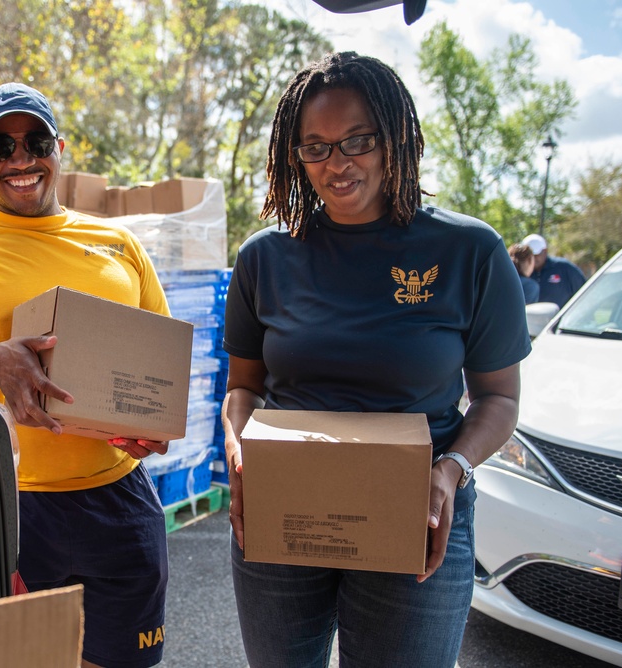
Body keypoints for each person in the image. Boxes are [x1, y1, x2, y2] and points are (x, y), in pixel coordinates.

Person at [220, 52, 532, 667]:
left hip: (415, 508)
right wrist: (237, 448)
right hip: (286, 504)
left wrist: (451, 472)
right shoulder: (265, 257)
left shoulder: (469, 250)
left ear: (396, 139)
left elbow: (500, 399)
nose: (336, 164)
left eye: (356, 140)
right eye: (315, 147)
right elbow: (244, 388)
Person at [0, 83, 169, 668]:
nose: (20, 160)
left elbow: (160, 365)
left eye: (35, 142)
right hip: (8, 507)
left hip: (119, 499)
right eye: (0, 147)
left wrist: (154, 427)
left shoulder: (118, 244)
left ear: (58, 147)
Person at [522, 233, 586, 307]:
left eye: (536, 255)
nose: (532, 259)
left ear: (545, 251)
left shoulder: (564, 268)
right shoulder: (520, 274)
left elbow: (584, 294)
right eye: (529, 256)